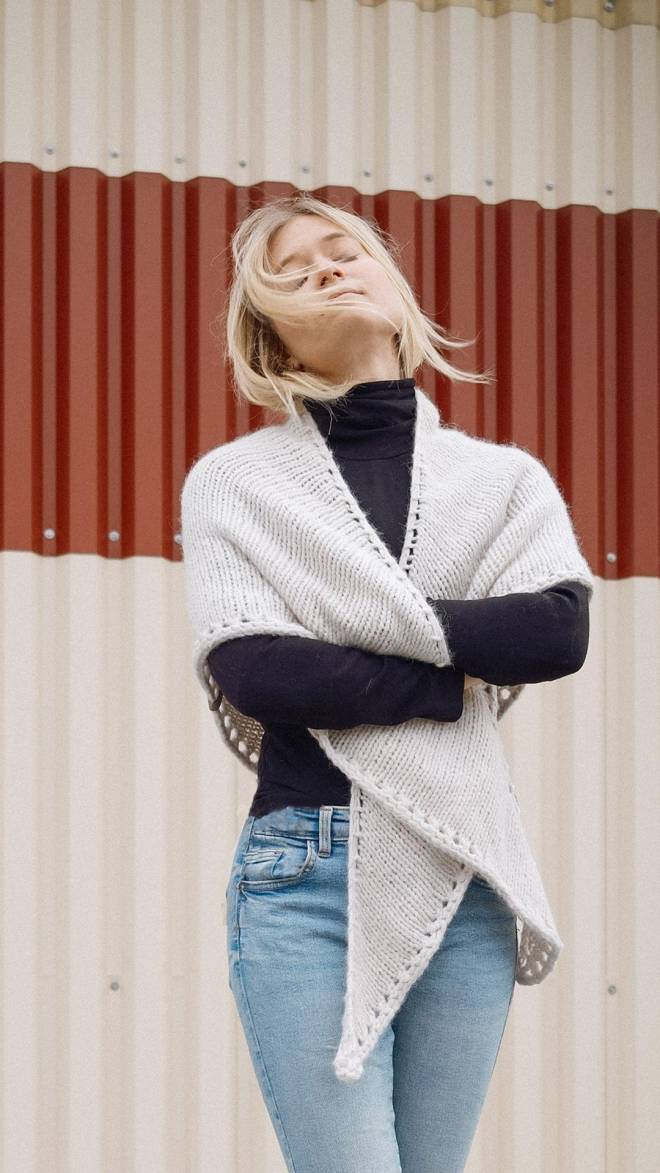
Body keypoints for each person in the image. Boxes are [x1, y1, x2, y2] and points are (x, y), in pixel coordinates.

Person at [187, 194, 590, 1172]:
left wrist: (359, 639)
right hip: (303, 874)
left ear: (393, 282)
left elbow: (555, 630)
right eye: (293, 271)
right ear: (271, 336)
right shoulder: (236, 483)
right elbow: (259, 669)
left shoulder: (503, 483)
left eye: (343, 251)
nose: (327, 269)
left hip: (463, 869)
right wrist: (450, 674)